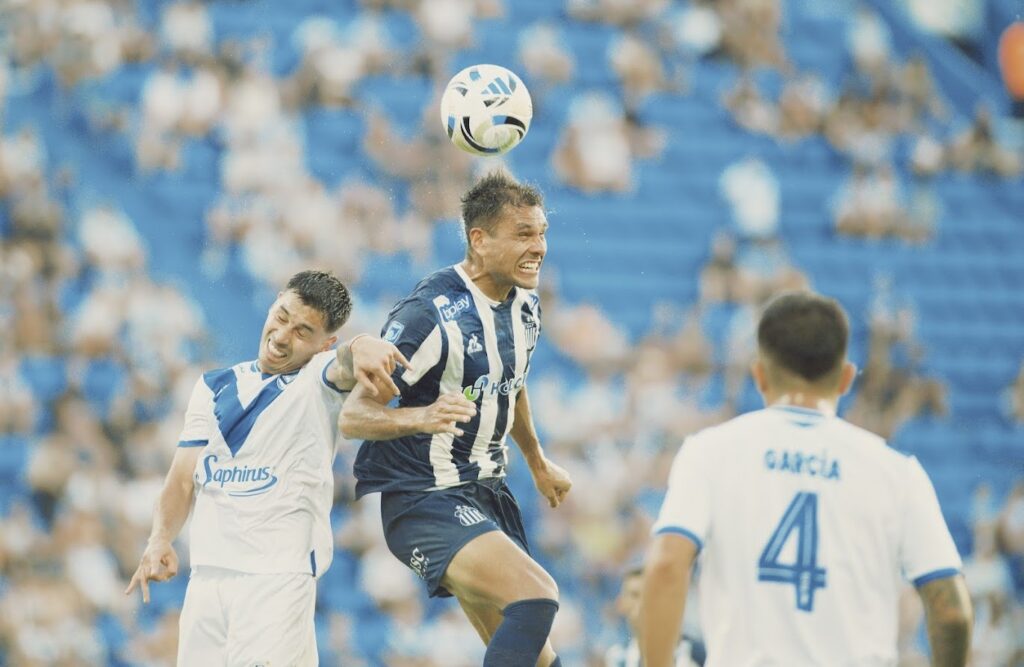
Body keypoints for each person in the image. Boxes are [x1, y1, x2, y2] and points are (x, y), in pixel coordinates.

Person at [638, 291, 973, 666]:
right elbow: (950, 609)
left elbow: (667, 566)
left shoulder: (710, 451)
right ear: (846, 377)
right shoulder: (896, 471)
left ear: (759, 374)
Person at [124, 269, 417, 666]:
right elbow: (180, 480)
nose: (281, 336)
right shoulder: (213, 386)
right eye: (281, 316)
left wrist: (363, 343)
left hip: (277, 579)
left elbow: (348, 361)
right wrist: (159, 539)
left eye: (302, 331)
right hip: (208, 579)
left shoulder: (318, 380)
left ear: (324, 344)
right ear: (273, 302)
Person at [340, 171, 573, 667]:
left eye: (543, 233)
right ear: (479, 240)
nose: (540, 247)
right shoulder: (431, 315)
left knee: (540, 660)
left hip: (486, 493)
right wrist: (422, 416)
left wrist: (537, 462)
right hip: (424, 497)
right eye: (524, 234)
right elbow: (354, 415)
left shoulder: (525, 307)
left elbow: (512, 382)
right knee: (537, 600)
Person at [605, 563, 704, 667]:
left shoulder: (694, 655)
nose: (643, 604)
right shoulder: (617, 657)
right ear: (621, 603)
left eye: (650, 595)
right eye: (635, 595)